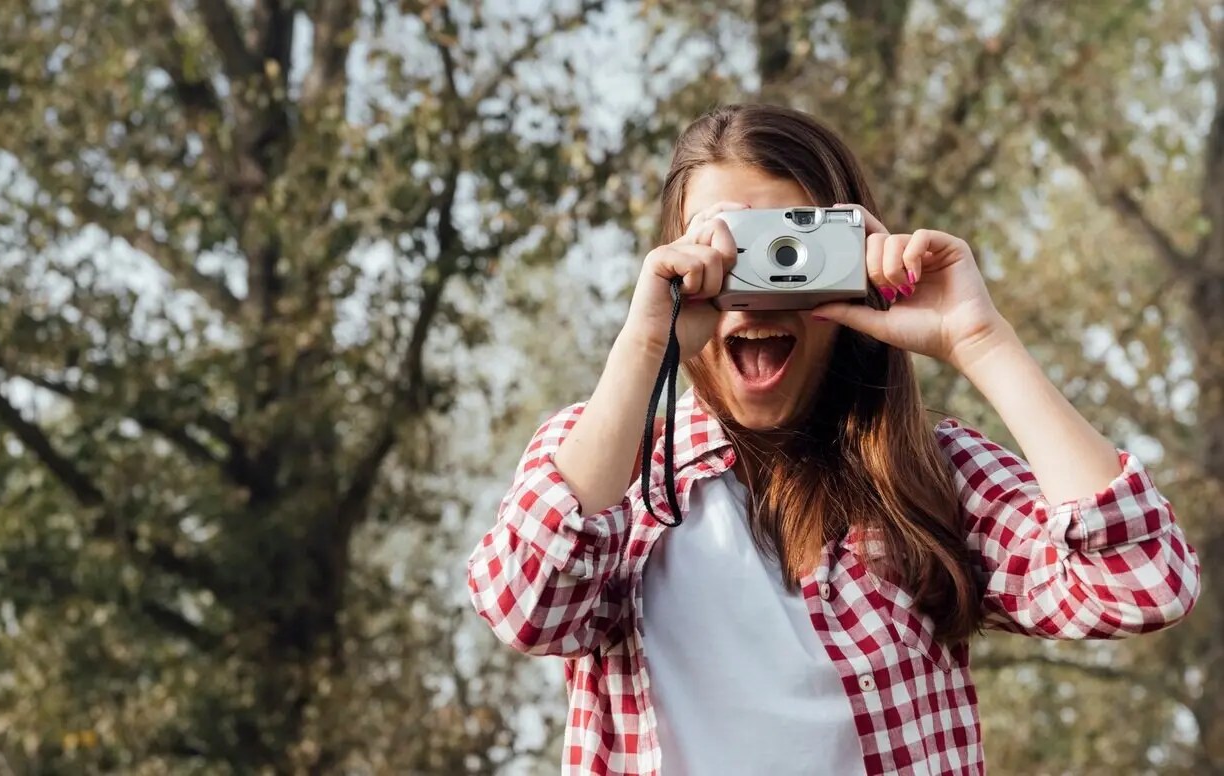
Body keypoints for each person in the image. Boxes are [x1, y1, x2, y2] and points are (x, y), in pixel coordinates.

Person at [465, 103, 1201, 776]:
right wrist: (644, 343)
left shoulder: (929, 470)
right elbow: (523, 606)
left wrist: (981, 341)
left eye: (788, 247)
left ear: (848, 259)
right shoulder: (606, 461)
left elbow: (1144, 582)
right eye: (724, 250)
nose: (754, 292)